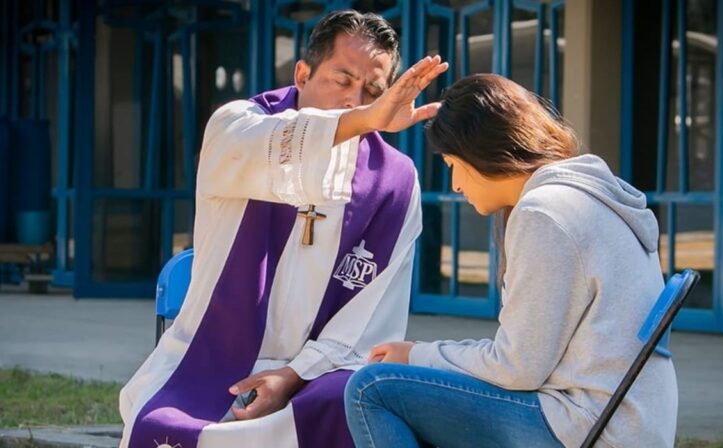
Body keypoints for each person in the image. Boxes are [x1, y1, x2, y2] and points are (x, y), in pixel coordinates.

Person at [119, 10, 448, 448]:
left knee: (352, 404)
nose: (357, 101)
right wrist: (365, 119)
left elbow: (370, 321)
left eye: (372, 90)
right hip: (206, 359)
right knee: (167, 427)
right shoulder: (238, 125)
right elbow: (280, 146)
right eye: (342, 79)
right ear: (302, 73)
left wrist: (293, 376)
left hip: (313, 372)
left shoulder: (395, 182)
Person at [344, 74, 677, 448]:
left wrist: (417, 354)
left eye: (453, 164)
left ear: (482, 151)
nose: (455, 184)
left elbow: (517, 368)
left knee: (372, 388)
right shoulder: (588, 197)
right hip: (624, 423)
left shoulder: (545, 213)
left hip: (590, 428)